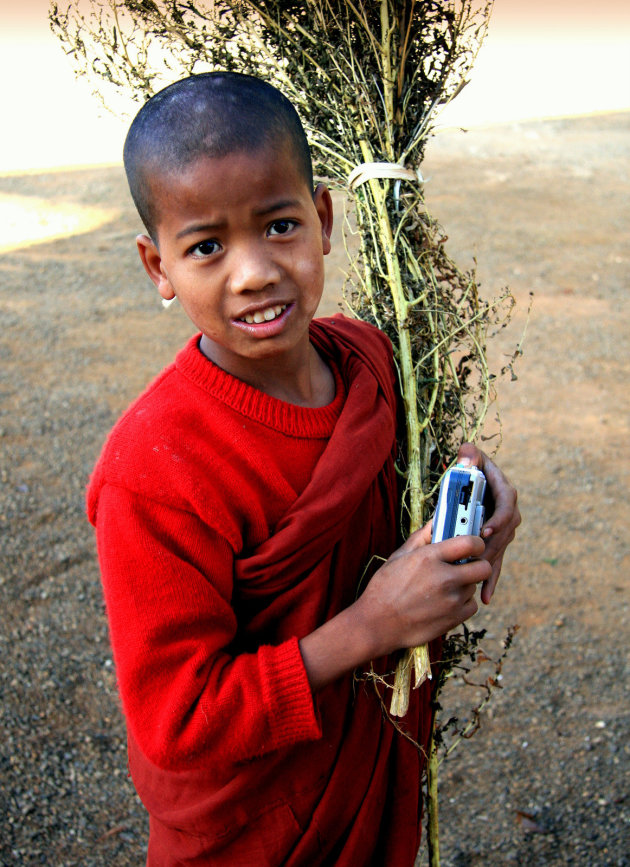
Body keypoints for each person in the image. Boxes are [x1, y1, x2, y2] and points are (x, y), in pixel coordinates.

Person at [87, 72, 520, 866]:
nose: (253, 271)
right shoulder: (154, 467)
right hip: (255, 824)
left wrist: (475, 501)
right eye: (207, 246)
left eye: (279, 224)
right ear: (158, 265)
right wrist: (374, 626)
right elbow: (179, 723)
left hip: (366, 768)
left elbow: (400, 509)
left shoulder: (370, 359)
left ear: (322, 219)